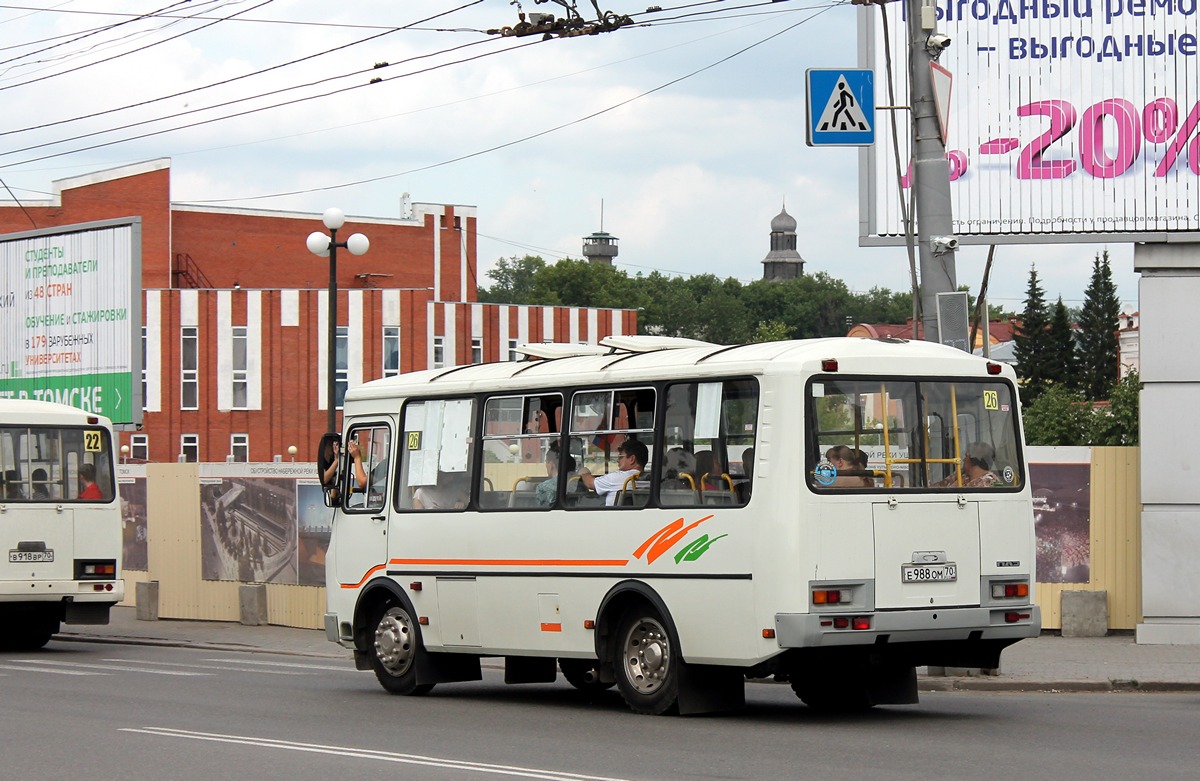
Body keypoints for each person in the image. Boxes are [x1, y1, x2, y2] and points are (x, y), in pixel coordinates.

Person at [578, 439, 648, 506]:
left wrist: (584, 472)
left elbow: (590, 483)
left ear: (632, 459)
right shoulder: (649, 480)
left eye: (620, 457)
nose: (618, 460)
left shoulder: (616, 478)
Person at [935, 442, 1000, 488]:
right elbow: (938, 487)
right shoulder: (962, 474)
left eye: (966, 456)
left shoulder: (989, 483)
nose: (963, 460)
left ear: (974, 459)